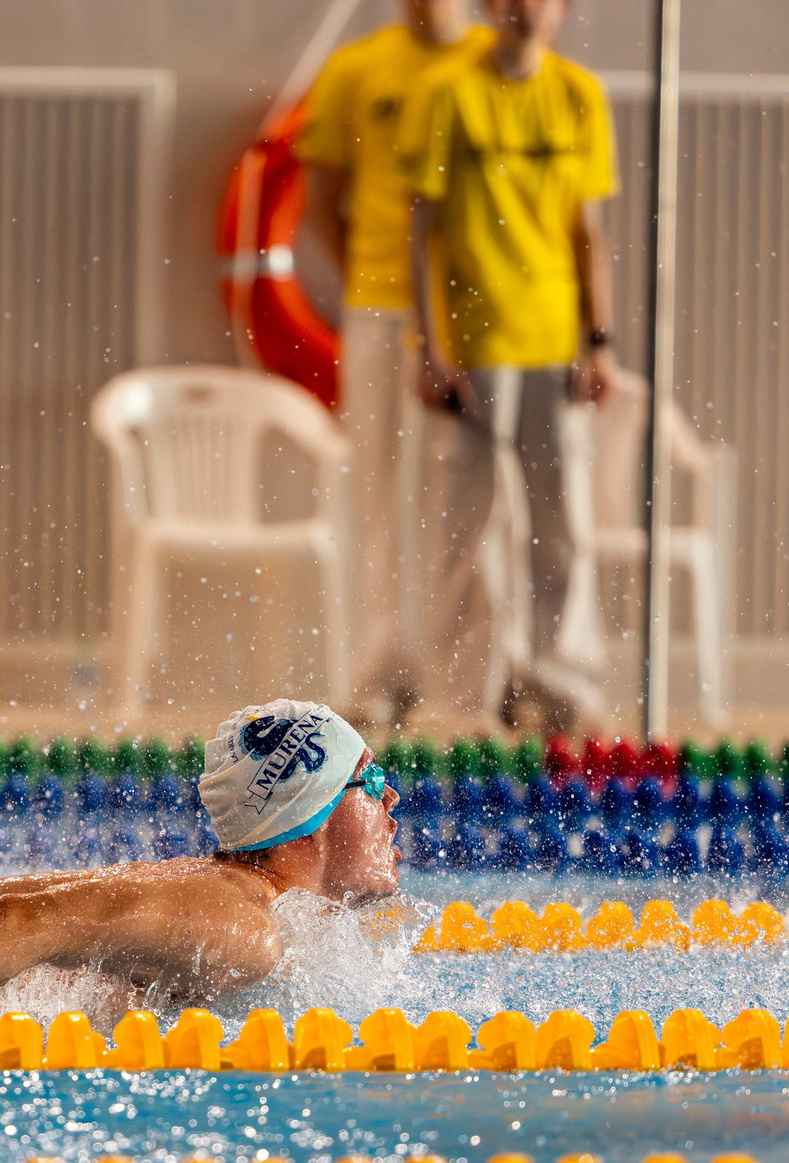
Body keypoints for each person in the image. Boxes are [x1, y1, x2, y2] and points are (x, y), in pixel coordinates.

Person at [0, 700, 398, 1028]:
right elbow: (20, 920)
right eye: (370, 780)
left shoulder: (212, 886)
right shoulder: (245, 929)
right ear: (311, 810)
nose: (392, 798)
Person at [405, 0, 621, 729]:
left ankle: (560, 688)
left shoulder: (579, 96)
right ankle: (466, 696)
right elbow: (422, 232)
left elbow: (587, 231)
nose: (527, 9)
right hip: (474, 343)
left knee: (562, 529)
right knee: (470, 534)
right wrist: (429, 347)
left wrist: (599, 340)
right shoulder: (451, 94)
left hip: (552, 342)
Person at [293, 0, 493, 726]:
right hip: (381, 306)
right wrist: (369, 281)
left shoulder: (490, 66)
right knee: (378, 494)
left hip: (474, 311)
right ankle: (383, 670)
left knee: (469, 506)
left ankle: (468, 681)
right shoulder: (356, 70)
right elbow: (319, 199)